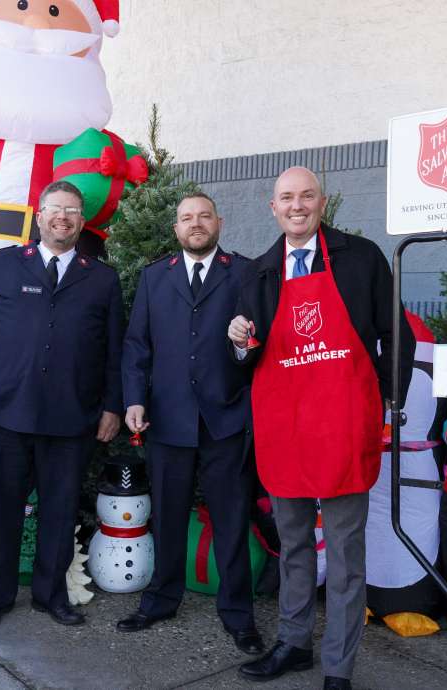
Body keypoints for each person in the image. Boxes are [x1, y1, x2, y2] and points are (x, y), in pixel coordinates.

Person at [228, 167, 414, 690]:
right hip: (285, 428)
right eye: (287, 197)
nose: (297, 205)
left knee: (346, 554)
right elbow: (246, 354)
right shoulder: (259, 272)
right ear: (273, 207)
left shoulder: (362, 258)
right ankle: (293, 643)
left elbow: (395, 334)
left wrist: (389, 401)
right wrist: (239, 340)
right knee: (293, 546)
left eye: (306, 196)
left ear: (322, 202)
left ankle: (339, 666)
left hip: (342, 426)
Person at [0, 180, 123, 631]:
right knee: (1, 510)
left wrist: (112, 406)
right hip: (5, 413)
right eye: (54, 209)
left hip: (72, 418)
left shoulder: (102, 278)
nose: (62, 218)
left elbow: (113, 351)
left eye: (71, 211)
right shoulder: (1, 266)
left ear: (81, 222)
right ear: (40, 215)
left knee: (60, 510)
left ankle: (51, 596)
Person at [118, 193, 264, 654]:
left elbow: (257, 345)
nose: (195, 224)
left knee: (231, 519)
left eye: (203, 217)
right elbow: (137, 347)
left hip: (226, 418)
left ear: (219, 222)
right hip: (167, 418)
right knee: (167, 514)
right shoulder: (153, 277)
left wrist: (243, 345)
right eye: (186, 218)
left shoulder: (243, 272)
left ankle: (238, 613)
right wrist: (133, 400)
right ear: (176, 227)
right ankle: (161, 599)